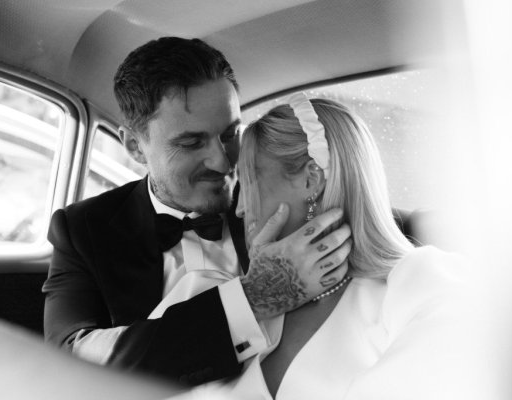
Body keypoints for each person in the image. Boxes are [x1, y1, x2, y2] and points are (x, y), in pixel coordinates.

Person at [42, 37, 352, 386]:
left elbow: (364, 211)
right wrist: (254, 298)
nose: (222, 162)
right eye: (191, 143)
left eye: (231, 134)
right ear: (134, 146)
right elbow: (69, 364)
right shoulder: (84, 229)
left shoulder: (277, 196)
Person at [192, 93, 474, 399]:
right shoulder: (250, 298)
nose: (240, 209)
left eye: (248, 184)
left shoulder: (419, 280)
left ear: (311, 180)